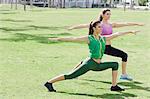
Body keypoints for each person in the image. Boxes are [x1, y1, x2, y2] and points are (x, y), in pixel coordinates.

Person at [45, 21, 139, 92]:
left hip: (98, 65)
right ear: (94, 28)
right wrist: (57, 38)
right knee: (70, 76)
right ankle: (49, 83)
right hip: (90, 64)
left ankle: (114, 86)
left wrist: (130, 31)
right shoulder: (89, 38)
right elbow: (73, 39)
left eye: (101, 27)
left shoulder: (103, 38)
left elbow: (117, 34)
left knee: (115, 64)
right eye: (99, 27)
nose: (101, 29)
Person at [67, 9, 144, 81]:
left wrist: (137, 24)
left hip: (107, 47)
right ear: (102, 15)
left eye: (110, 14)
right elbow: (84, 25)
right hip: (103, 47)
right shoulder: (98, 24)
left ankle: (73, 73)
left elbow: (125, 23)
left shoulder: (111, 24)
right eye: (107, 14)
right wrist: (72, 27)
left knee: (88, 61)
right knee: (124, 55)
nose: (109, 16)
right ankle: (123, 75)